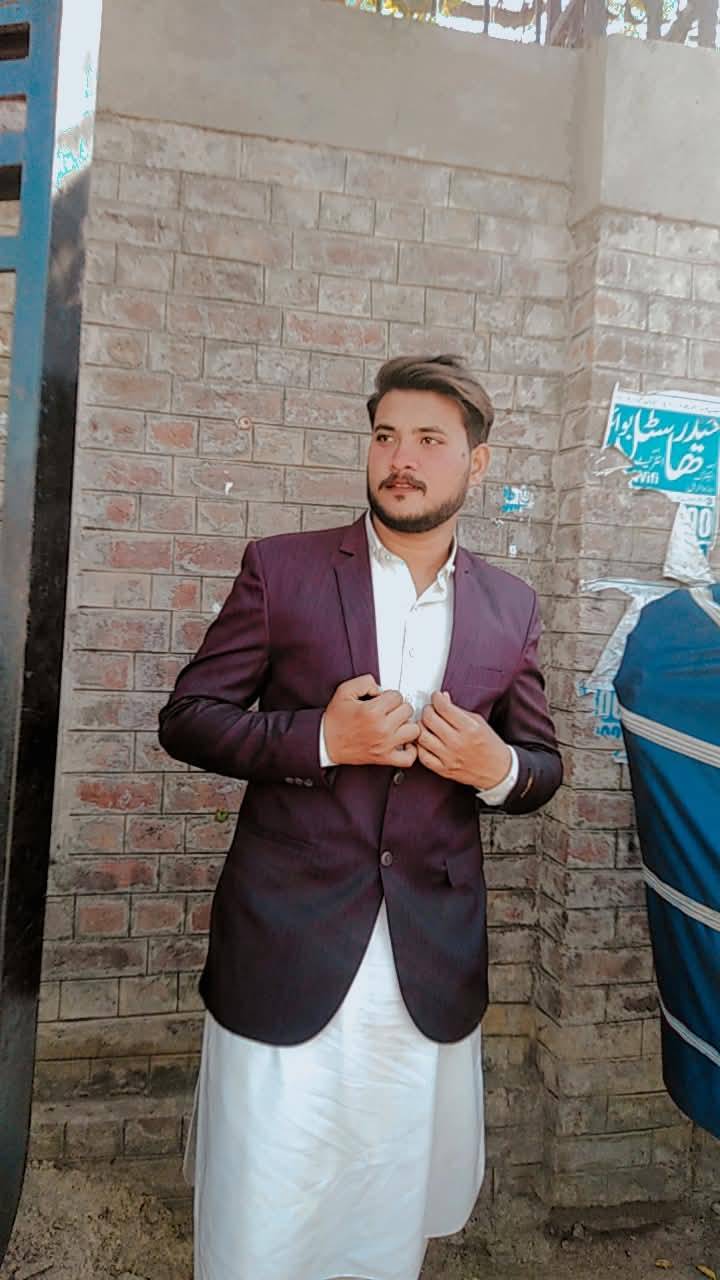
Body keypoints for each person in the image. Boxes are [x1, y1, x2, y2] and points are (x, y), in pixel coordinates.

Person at [158, 354, 562, 1280]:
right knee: (265, 1195)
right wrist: (320, 739)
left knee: (387, 1194)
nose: (400, 459)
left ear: (477, 462)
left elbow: (541, 768)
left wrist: (497, 768)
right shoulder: (283, 569)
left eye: (428, 440)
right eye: (385, 436)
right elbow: (188, 717)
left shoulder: (511, 605)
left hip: (427, 953)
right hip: (287, 939)